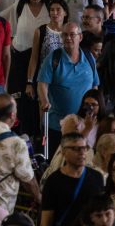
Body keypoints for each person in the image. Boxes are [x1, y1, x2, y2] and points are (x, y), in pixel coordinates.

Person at [37, 23, 99, 153]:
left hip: (83, 125)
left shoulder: (89, 58)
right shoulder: (53, 58)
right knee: (53, 160)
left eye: (72, 35)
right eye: (65, 35)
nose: (68, 38)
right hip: (56, 126)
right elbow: (42, 84)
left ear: (80, 37)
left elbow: (95, 85)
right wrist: (44, 101)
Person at [0, 0, 49, 138]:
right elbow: (0, 17)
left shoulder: (49, 7)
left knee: (36, 98)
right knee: (18, 97)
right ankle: (17, 132)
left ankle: (37, 134)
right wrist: (9, 41)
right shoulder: (20, 6)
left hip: (40, 59)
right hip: (20, 57)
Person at [39, 133, 106, 226]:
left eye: (84, 148)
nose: (82, 152)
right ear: (63, 152)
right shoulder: (53, 181)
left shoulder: (97, 177)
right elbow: (46, 220)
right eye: (76, 149)